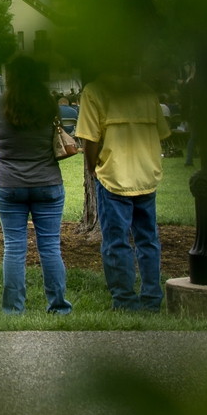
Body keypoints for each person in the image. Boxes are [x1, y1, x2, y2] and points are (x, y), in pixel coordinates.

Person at [76, 72, 170, 312]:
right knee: (148, 240)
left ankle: (125, 301)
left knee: (116, 243)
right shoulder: (146, 91)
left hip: (114, 175)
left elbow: (90, 138)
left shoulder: (94, 91)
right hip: (146, 174)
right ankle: (152, 299)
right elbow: (161, 132)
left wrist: (92, 167)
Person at [0, 55, 71, 314]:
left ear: (9, 77)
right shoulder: (48, 103)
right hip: (47, 182)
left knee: (13, 247)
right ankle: (58, 306)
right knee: (50, 246)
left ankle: (13, 309)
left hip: (8, 183)